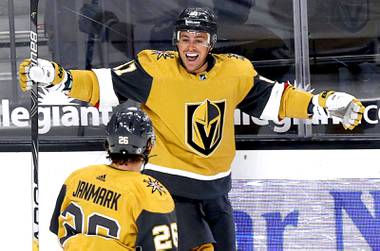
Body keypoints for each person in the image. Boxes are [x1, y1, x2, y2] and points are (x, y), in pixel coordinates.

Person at [19, 7, 364, 251]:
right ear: (177, 40)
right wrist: (58, 77)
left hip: (217, 194)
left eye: (199, 39)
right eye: (185, 38)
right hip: (171, 191)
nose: (191, 46)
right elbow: (100, 84)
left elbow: (276, 101)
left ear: (211, 42)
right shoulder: (155, 70)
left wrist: (323, 105)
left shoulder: (235, 72)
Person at [48, 106, 178, 251]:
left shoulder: (76, 178)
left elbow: (59, 232)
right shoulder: (152, 195)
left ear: (108, 143)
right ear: (149, 146)